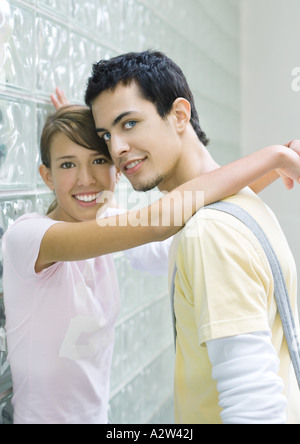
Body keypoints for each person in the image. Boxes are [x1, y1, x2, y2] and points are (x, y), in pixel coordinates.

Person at [84, 50, 300, 424]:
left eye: (129, 123)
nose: (115, 148)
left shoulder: (209, 232)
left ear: (180, 115)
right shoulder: (240, 202)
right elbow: (150, 246)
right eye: (106, 134)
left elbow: (254, 412)